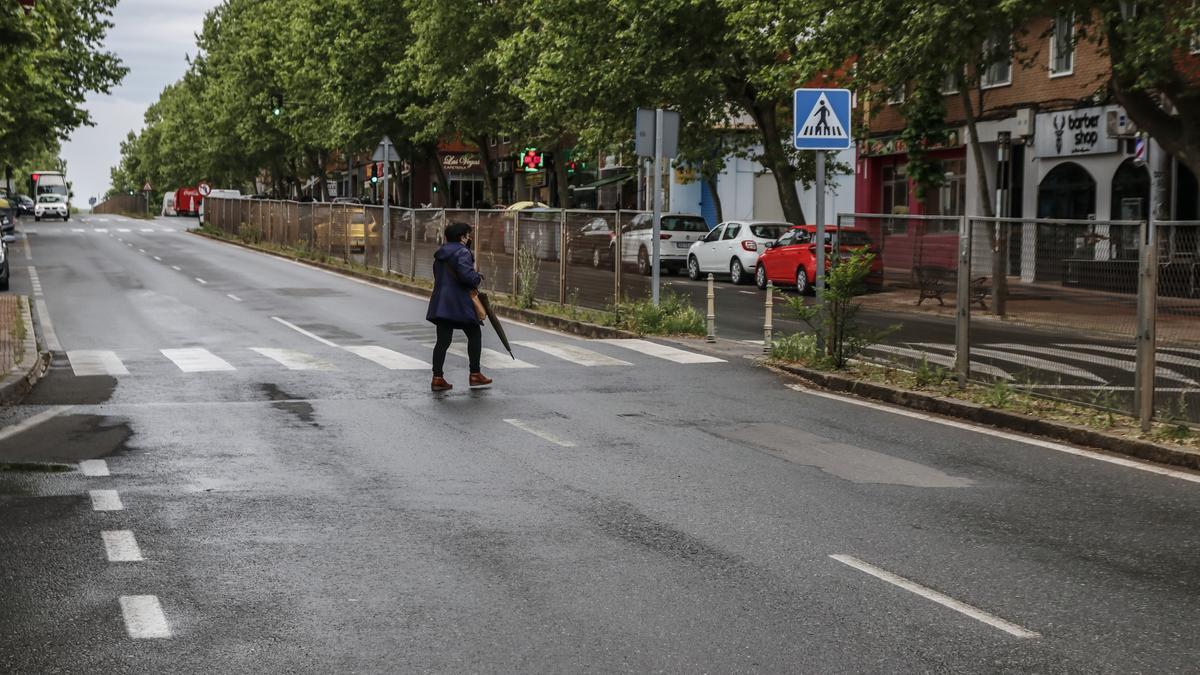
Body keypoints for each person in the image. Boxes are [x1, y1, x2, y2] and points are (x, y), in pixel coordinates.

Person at [427, 221, 492, 391]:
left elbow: (437, 274)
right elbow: (466, 276)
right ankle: (475, 374)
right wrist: (477, 277)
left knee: (442, 341)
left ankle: (437, 377)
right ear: (462, 237)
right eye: (467, 235)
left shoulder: (440, 254)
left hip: (441, 302)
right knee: (474, 334)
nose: (468, 238)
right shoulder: (462, 252)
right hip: (460, 303)